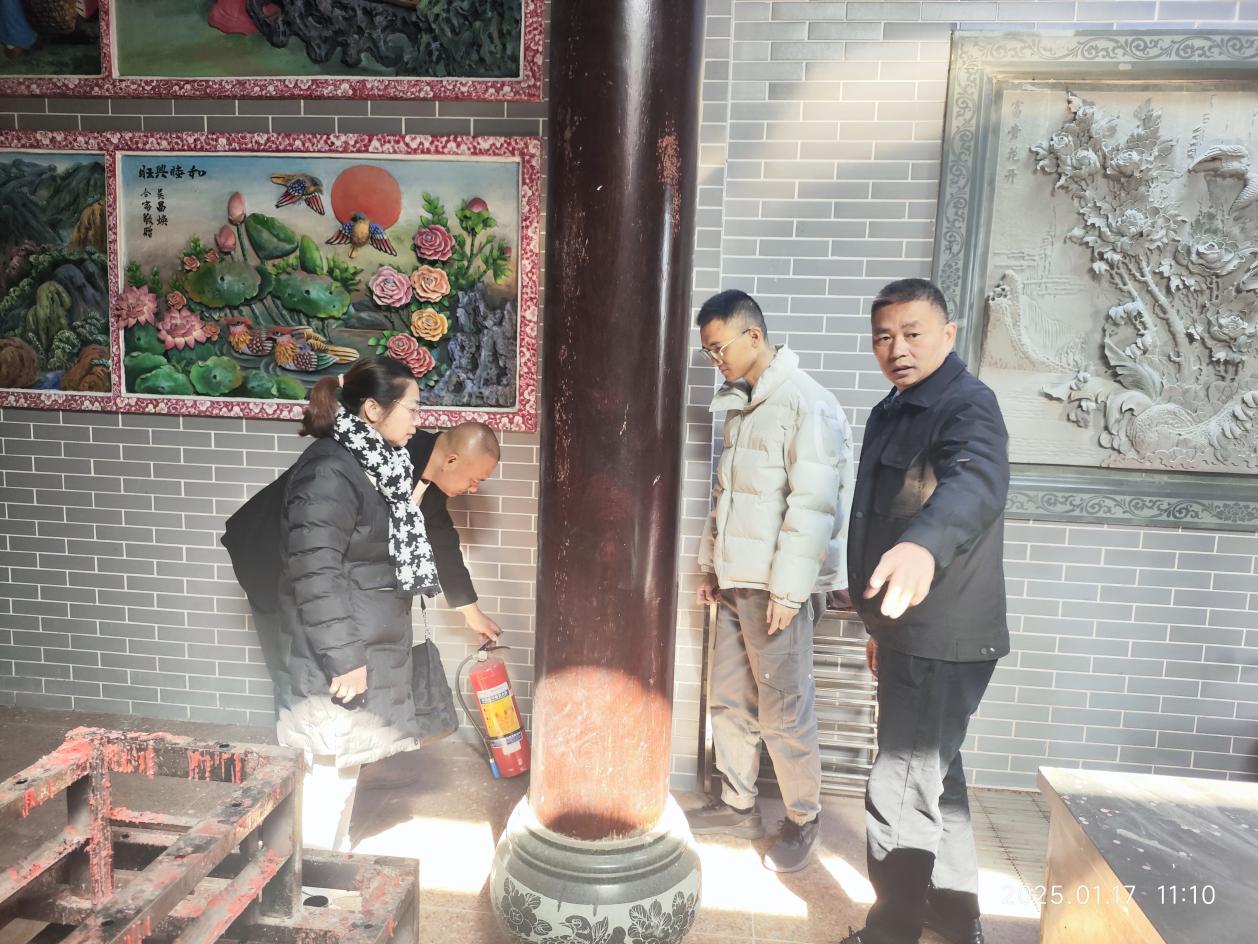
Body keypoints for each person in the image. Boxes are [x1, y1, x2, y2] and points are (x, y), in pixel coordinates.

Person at [841, 279, 1010, 944]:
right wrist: (881, 625)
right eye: (883, 337)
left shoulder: (966, 405)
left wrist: (922, 545)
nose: (897, 349)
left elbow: (975, 482)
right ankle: (953, 912)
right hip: (912, 629)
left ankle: (893, 931)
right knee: (939, 777)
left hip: (941, 632)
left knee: (902, 785)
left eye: (912, 333)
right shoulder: (897, 407)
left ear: (948, 333)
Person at [686, 289, 853, 874]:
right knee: (730, 699)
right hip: (738, 582)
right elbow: (727, 495)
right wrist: (711, 565)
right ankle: (738, 805)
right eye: (708, 352)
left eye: (719, 348)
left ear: (753, 336)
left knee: (784, 711)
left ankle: (803, 818)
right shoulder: (743, 404)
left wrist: (789, 592)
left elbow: (814, 507)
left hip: (777, 589)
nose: (715, 361)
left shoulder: (807, 403)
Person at [266, 356, 439, 852]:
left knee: (341, 767)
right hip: (340, 650)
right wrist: (345, 657)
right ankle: (311, 880)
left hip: (362, 638)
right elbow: (314, 569)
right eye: (412, 408)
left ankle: (325, 866)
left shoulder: (374, 464)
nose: (418, 420)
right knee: (328, 772)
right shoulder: (331, 471)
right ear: (373, 409)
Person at [406, 422, 503, 643]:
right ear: (451, 461)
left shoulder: (436, 484)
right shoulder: (396, 450)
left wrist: (473, 614)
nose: (474, 489)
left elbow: (443, 543)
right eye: (474, 479)